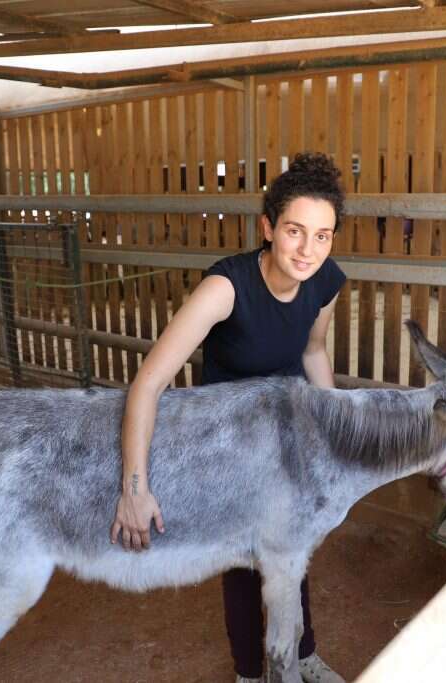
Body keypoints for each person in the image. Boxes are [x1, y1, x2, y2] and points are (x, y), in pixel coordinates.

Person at [111, 152, 348, 683]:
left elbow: (313, 351)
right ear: (267, 228)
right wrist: (135, 487)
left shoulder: (325, 281)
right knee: (245, 559)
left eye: (322, 235)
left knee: (294, 541)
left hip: (286, 432)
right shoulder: (226, 288)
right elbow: (149, 382)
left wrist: (333, 432)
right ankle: (249, 672)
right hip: (224, 440)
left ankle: (302, 653)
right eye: (294, 231)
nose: (308, 249)